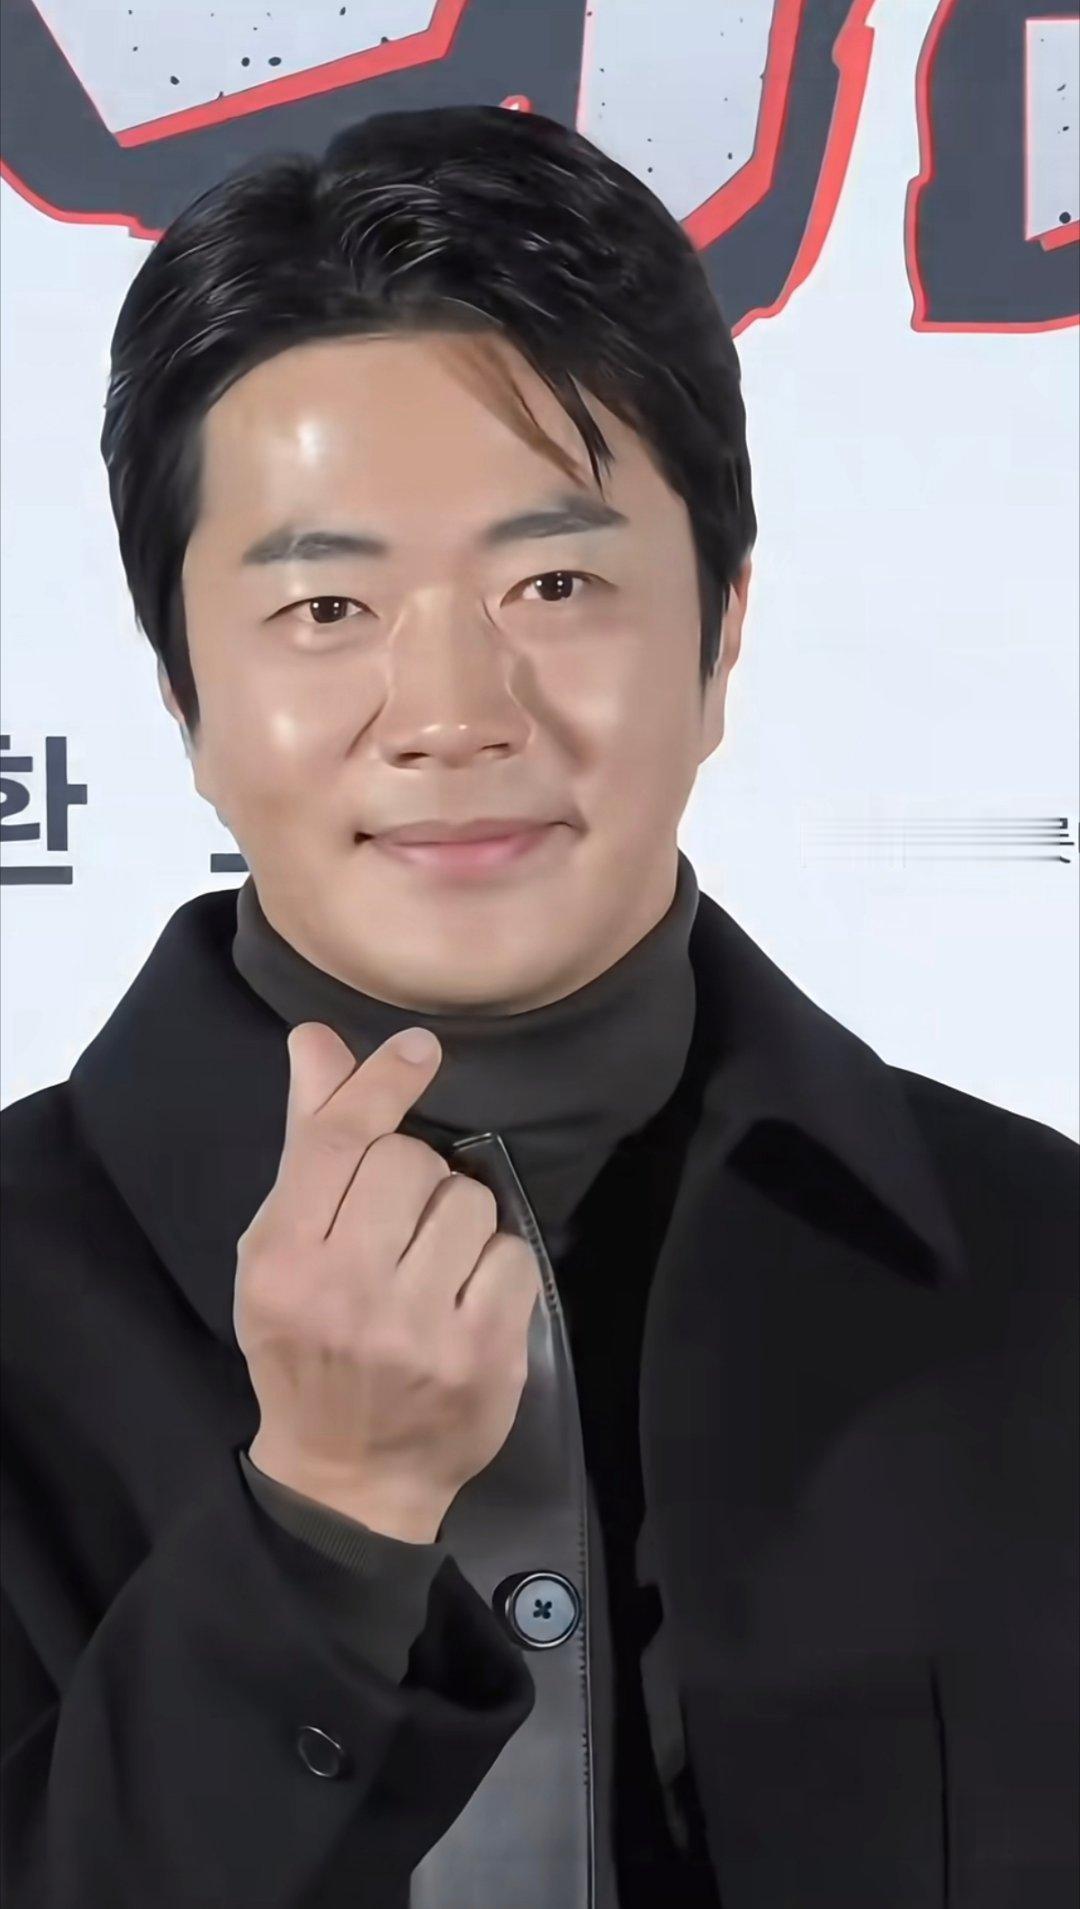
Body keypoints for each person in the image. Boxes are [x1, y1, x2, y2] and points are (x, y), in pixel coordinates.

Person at [1, 102, 1076, 1909]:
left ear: (722, 634)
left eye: (556, 583)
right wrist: (322, 1526)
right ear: (183, 691)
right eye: (327, 606)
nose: (451, 710)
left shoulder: (1039, 1269)